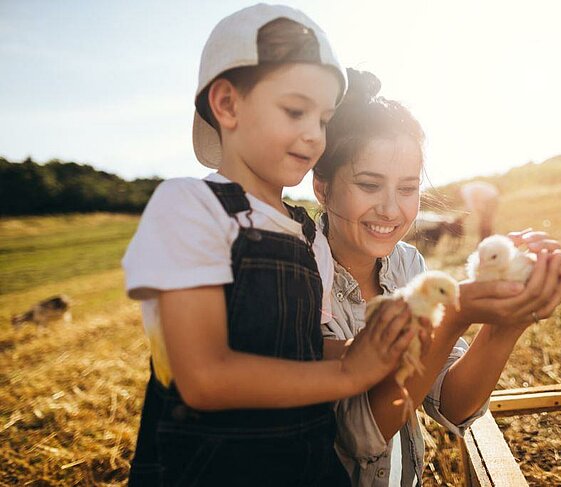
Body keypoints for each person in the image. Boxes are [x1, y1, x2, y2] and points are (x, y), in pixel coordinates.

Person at [122, 7, 416, 486]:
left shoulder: (305, 236)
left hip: (305, 465)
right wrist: (348, 376)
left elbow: (303, 351)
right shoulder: (190, 206)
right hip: (208, 470)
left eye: (323, 119)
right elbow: (202, 377)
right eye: (295, 111)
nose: (313, 134)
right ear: (228, 105)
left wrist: (370, 349)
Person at [312, 69, 561, 486]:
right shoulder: (301, 280)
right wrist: (451, 317)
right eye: (369, 184)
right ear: (321, 188)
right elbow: (360, 437)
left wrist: (507, 321)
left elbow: (452, 404)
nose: (391, 210)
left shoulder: (407, 265)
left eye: (408, 188)